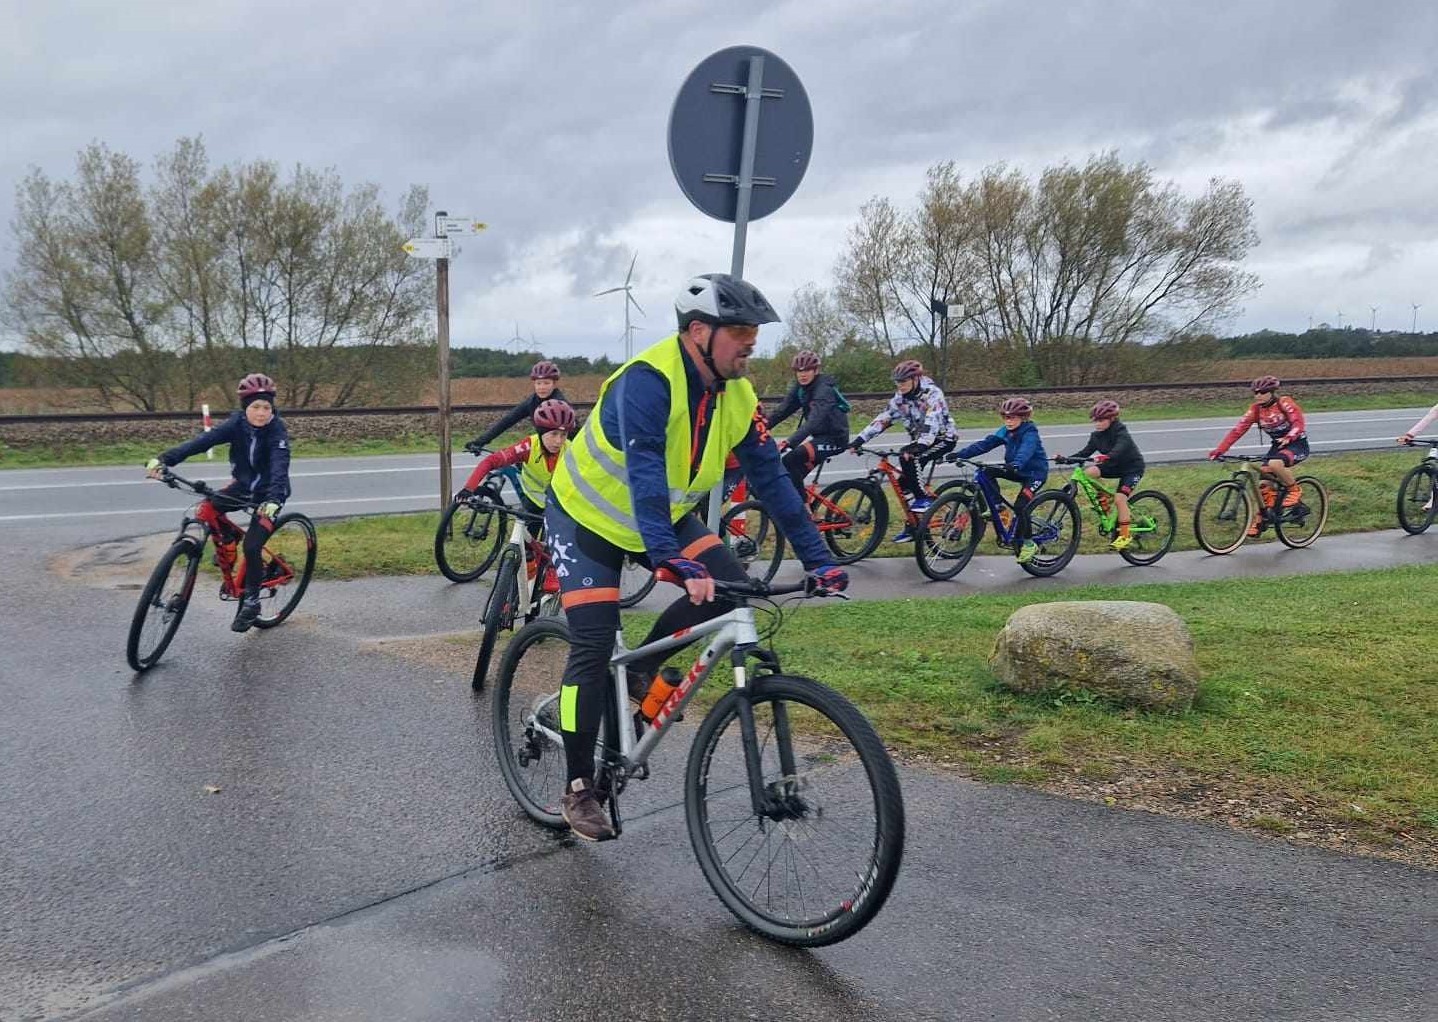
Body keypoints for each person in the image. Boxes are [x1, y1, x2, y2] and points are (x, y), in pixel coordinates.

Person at [545, 273, 848, 841]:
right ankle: (579, 787)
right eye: (739, 332)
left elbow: (773, 479)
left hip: (660, 512)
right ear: (698, 332)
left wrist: (817, 557)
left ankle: (638, 670)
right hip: (587, 518)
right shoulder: (648, 381)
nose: (751, 343)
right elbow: (642, 471)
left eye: (754, 332)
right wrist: (669, 558)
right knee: (590, 641)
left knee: (729, 586)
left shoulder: (738, 394)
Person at [145, 373, 292, 633]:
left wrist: (273, 499)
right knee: (206, 508)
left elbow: (280, 468)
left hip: (270, 495)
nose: (261, 413)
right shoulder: (235, 424)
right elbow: (201, 443)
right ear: (245, 408)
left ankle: (252, 600)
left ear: (273, 409)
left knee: (252, 545)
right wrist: (164, 460)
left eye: (266, 407)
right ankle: (226, 541)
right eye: (255, 407)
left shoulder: (276, 431)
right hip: (241, 488)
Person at [460, 398, 575, 592]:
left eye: (563, 435)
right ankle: (525, 579)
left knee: (556, 542)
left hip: (559, 503)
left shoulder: (571, 452)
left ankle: (553, 571)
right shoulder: (529, 446)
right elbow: (491, 462)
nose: (559, 441)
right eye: (554, 434)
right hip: (533, 500)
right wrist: (469, 488)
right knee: (524, 545)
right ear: (541, 432)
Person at [848, 359, 958, 541]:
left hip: (942, 438)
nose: (900, 386)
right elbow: (883, 419)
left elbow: (932, 423)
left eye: (904, 382)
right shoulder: (899, 399)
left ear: (916, 379)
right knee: (903, 484)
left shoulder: (933, 394)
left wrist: (918, 446)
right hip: (920, 440)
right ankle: (913, 527)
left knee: (908, 459)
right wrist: (859, 440)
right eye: (898, 382)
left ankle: (924, 499)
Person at [949, 397, 1049, 564]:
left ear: (1023, 418)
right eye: (1006, 417)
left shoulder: (1030, 432)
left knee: (1020, 506)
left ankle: (1029, 543)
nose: (1008, 421)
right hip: (1015, 469)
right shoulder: (1005, 431)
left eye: (1013, 418)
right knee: (987, 472)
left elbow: (1026, 450)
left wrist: (1016, 463)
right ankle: (998, 507)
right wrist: (960, 454)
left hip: (1034, 473)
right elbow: (985, 444)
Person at [1208, 375, 1309, 536]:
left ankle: (1294, 489)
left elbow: (1299, 423)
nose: (1258, 395)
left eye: (1262, 392)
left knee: (1275, 464)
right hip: (1277, 446)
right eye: (1255, 392)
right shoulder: (1256, 409)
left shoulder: (1284, 402)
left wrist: (1289, 437)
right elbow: (1238, 430)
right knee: (1263, 485)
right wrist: (1220, 450)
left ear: (1272, 392)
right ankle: (1261, 519)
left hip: (1296, 443)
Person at [1060, 400, 1146, 551]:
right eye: (1095, 421)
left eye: (1101, 420)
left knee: (1120, 499)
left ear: (1112, 419)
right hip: (1112, 465)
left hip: (1132, 468)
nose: (1097, 424)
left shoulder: (1121, 431)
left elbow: (1120, 448)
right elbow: (1084, 453)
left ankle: (1125, 536)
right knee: (1088, 473)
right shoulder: (1096, 436)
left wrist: (1107, 456)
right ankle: (1104, 498)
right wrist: (1065, 459)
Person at [766, 350, 851, 499]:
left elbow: (813, 421)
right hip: (819, 438)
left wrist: (790, 442)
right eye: (799, 371)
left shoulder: (824, 389)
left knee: (791, 459)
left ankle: (804, 512)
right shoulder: (801, 389)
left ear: (816, 371)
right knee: (789, 474)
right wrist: (760, 428)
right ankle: (799, 505)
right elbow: (782, 411)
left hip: (835, 439)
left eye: (807, 370)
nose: (802, 375)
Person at [463, 360, 576, 457]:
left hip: (563, 450)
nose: (542, 387)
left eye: (546, 383)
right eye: (538, 383)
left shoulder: (560, 404)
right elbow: (508, 420)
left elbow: (569, 435)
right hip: (544, 448)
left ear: (554, 384)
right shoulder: (533, 401)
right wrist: (480, 442)